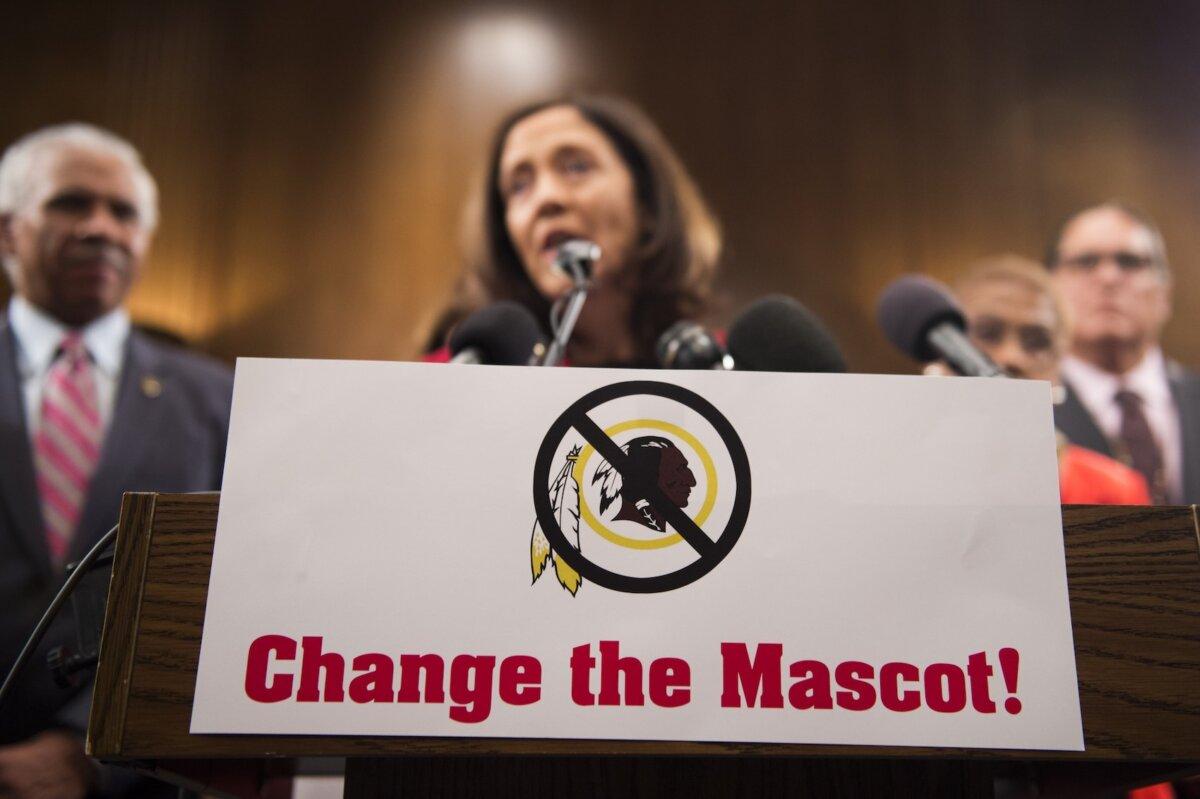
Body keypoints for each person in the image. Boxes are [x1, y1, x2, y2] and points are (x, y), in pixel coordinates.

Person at [0, 123, 232, 796]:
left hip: (138, 777)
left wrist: (84, 751)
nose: (101, 227)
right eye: (71, 203)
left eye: (123, 211)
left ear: (145, 242)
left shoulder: (219, 398)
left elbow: (223, 597)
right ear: (9, 230)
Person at [426, 95, 722, 367]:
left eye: (577, 167)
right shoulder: (454, 376)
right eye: (519, 186)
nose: (546, 198)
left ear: (647, 203)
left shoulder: (727, 372)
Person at [953, 255, 1150, 504]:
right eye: (987, 333)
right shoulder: (899, 470)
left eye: (1037, 342)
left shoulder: (1116, 491)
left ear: (1060, 363)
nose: (1011, 357)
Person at [1045, 202, 1200, 504]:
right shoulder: (1029, 415)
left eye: (1129, 262)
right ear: (1051, 288)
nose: (1109, 278)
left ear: (1165, 290)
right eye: (1086, 262)